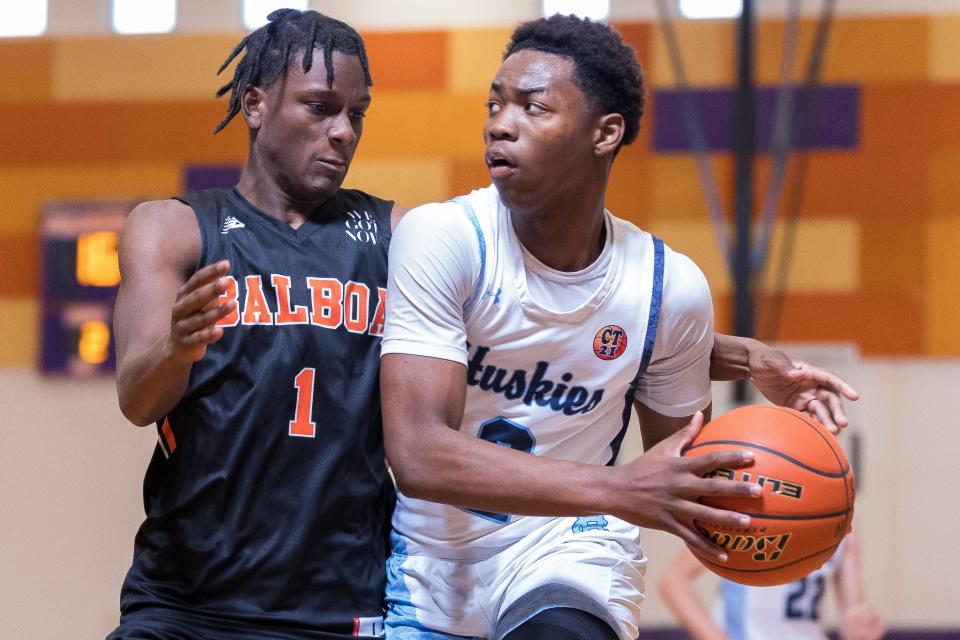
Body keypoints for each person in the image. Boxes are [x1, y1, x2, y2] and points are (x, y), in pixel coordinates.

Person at [109, 8, 856, 640]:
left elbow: (566, 325)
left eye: (356, 115)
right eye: (320, 108)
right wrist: (180, 348)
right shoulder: (178, 230)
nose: (342, 132)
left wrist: (739, 353)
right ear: (254, 105)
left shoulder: (396, 236)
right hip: (187, 589)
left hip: (341, 595)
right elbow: (139, 397)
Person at [378, 14, 857, 640]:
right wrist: (621, 486)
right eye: (495, 103)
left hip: (569, 549)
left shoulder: (667, 287)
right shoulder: (446, 238)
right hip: (432, 561)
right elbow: (418, 453)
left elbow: (684, 468)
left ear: (605, 133)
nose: (500, 122)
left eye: (533, 106)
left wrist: (800, 502)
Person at [659, 531, 886, 640]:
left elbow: (853, 612)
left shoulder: (846, 522)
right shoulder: (746, 509)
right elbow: (674, 581)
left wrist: (862, 625)